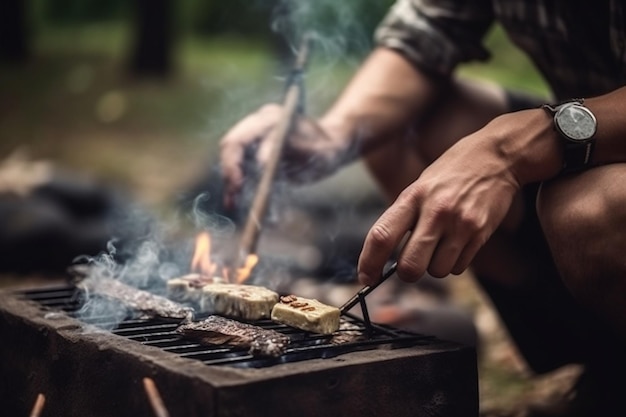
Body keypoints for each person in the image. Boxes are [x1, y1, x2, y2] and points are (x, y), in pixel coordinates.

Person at [219, 1, 626, 416]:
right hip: (581, 137)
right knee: (395, 129)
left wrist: (510, 149)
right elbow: (423, 34)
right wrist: (333, 134)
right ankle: (597, 354)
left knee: (586, 208)